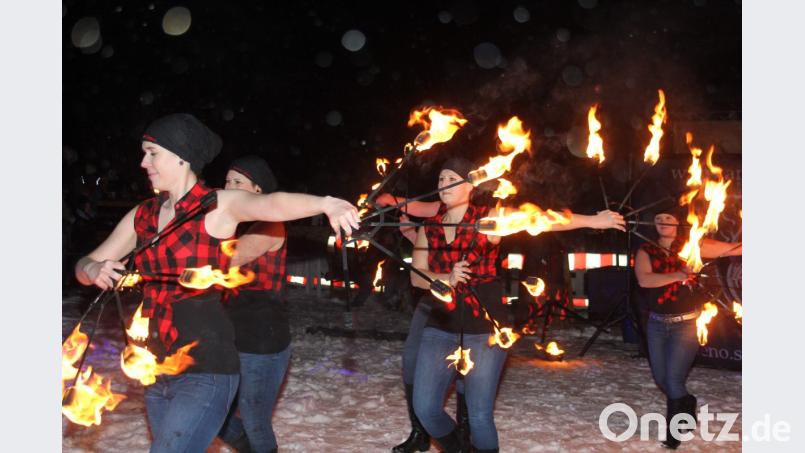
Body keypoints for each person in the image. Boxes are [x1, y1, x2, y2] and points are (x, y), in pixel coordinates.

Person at [74, 113, 359, 453]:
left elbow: (271, 202)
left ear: (181, 156)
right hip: (155, 368)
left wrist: (326, 203)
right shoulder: (143, 215)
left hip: (206, 368)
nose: (143, 162)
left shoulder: (217, 206)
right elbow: (85, 263)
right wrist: (93, 270)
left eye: (152, 153)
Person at [380, 157, 626, 453]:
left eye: (451, 179)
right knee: (426, 408)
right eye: (441, 180)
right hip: (440, 325)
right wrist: (447, 276)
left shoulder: (489, 220)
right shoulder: (428, 229)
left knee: (480, 415)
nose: (444, 185)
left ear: (470, 186)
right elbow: (419, 278)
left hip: (485, 328)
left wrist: (592, 220)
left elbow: (540, 219)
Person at [634, 207, 742, 450]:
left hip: (686, 325)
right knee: (662, 379)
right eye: (658, 218)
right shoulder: (646, 250)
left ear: (679, 223)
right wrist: (679, 275)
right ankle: (687, 400)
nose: (662, 222)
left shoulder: (694, 245)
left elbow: (732, 249)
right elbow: (645, 280)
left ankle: (673, 434)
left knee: (672, 379)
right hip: (656, 325)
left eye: (668, 218)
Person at [217, 155, 290, 453]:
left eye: (238, 182)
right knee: (216, 412)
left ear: (258, 191)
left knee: (254, 419)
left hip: (262, 340)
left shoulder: (270, 225)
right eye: (227, 181)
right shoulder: (237, 227)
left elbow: (227, 259)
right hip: (232, 336)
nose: (230, 187)